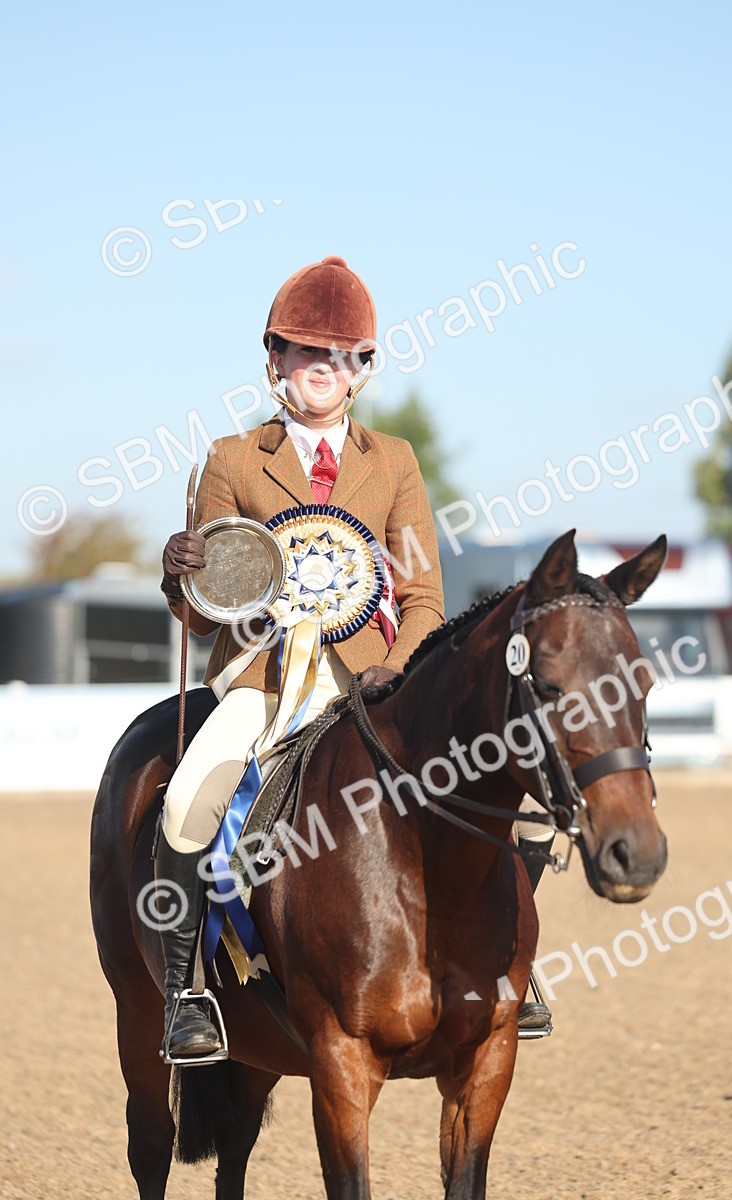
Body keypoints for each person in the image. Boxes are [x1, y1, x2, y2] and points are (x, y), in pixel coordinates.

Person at [157, 255, 550, 1062]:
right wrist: (181, 576)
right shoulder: (234, 461)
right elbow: (205, 618)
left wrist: (399, 670)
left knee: (486, 782)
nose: (323, 371)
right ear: (277, 363)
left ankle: (511, 971)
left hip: (377, 683)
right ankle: (186, 994)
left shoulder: (394, 462)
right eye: (308, 354)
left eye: (341, 357)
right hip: (263, 681)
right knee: (186, 802)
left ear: (360, 370)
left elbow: (425, 597)